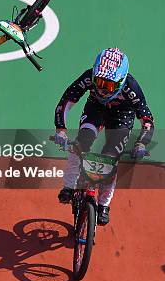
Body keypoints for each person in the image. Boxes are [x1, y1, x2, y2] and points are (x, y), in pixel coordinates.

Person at [53, 48, 154, 225]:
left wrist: (141, 143)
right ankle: (68, 186)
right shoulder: (88, 76)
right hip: (95, 109)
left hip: (122, 116)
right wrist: (60, 129)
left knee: (111, 159)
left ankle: (104, 205)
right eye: (98, 82)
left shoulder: (132, 86)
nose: (101, 90)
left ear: (121, 82)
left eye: (108, 85)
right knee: (80, 143)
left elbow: (146, 119)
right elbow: (66, 101)